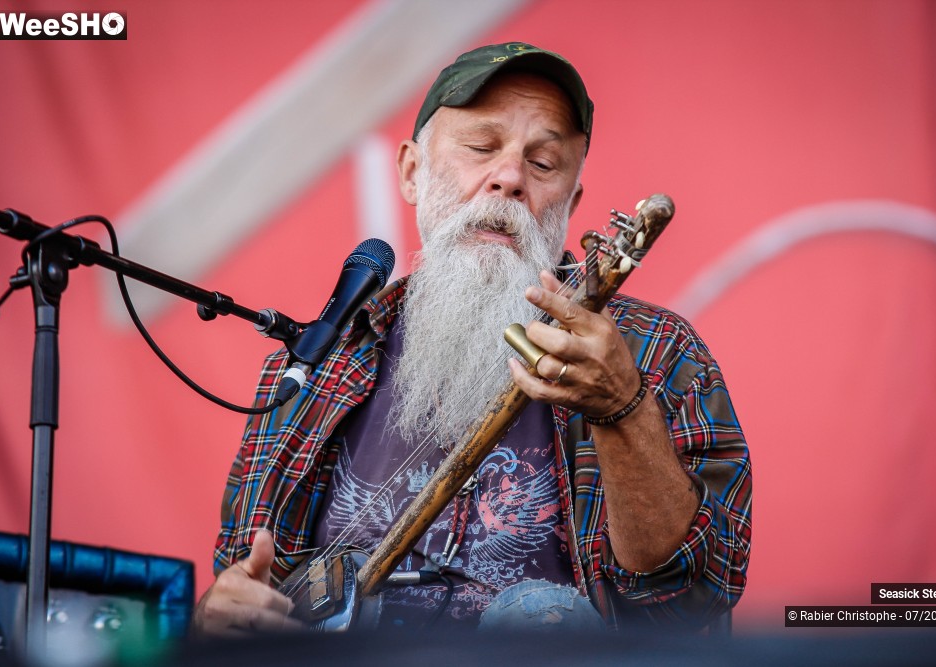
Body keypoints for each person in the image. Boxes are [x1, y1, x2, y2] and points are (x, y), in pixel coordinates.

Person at [193, 42, 751, 635]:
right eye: (482, 148)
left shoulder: (656, 353)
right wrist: (219, 619)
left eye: (543, 164)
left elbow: (691, 603)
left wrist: (623, 407)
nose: (509, 178)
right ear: (412, 172)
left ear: (572, 201)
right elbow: (245, 581)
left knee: (535, 616)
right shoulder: (317, 364)